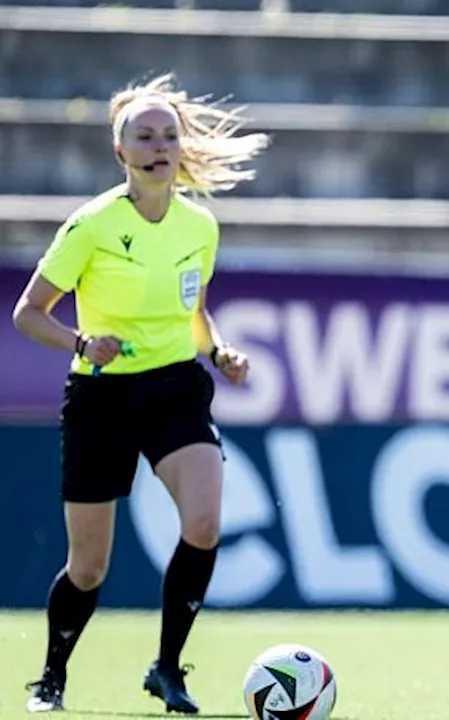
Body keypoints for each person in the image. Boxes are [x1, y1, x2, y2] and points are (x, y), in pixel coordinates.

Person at [12, 73, 268, 714]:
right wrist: (80, 344)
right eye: (143, 136)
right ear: (119, 151)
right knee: (89, 567)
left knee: (205, 523)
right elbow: (28, 312)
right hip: (101, 398)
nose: (158, 146)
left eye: (168, 135)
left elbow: (193, 310)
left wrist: (218, 351)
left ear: (181, 147)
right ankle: (52, 677)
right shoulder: (91, 226)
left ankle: (166, 668)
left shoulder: (199, 227)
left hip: (176, 387)